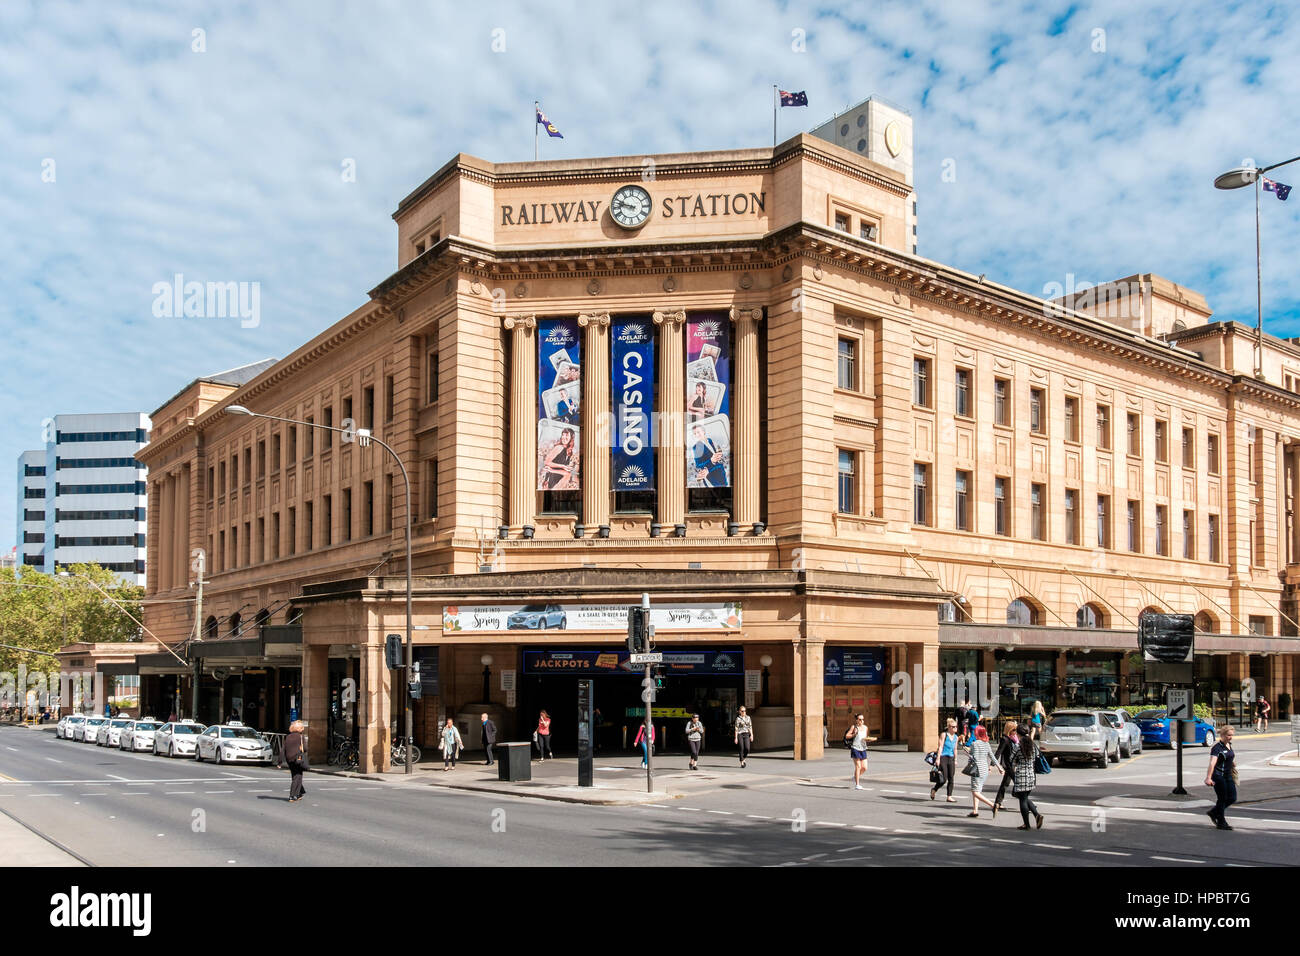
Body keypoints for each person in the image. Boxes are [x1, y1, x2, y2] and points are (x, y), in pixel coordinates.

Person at [1009, 722, 1045, 831]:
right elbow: (1036, 757)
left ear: (1018, 734)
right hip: (1031, 775)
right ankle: (1036, 815)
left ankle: (1027, 824)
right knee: (1024, 797)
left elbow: (1011, 760)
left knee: (1023, 800)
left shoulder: (1018, 746)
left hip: (1021, 775)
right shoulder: (1033, 745)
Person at [1205, 725, 1236, 830]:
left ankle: (1214, 812)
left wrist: (1232, 763)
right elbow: (1212, 763)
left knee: (1232, 797)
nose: (1230, 737)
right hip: (1218, 776)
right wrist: (1208, 778)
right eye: (1228, 735)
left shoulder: (1229, 745)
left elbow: (1228, 756)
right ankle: (1221, 822)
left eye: (1232, 735)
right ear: (1222, 735)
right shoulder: (1217, 748)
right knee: (1222, 799)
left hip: (1228, 775)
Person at [965, 725, 1001, 817]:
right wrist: (999, 767)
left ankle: (993, 805)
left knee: (975, 791)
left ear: (977, 733)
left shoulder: (974, 744)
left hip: (977, 769)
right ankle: (975, 810)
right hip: (984, 769)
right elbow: (992, 757)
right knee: (978, 790)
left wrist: (968, 753)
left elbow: (974, 758)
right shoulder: (987, 744)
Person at [992, 720, 1020, 813]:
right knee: (1018, 783)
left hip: (1014, 764)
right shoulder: (1005, 739)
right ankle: (1026, 803)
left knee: (1005, 784)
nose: (1016, 731)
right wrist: (992, 764)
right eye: (1015, 729)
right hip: (1008, 765)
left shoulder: (1015, 738)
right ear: (1010, 729)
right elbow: (998, 752)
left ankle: (997, 803)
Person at [932, 718, 959, 802]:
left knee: (951, 777)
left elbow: (955, 749)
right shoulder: (944, 735)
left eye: (956, 727)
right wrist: (938, 759)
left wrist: (955, 759)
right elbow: (940, 747)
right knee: (944, 779)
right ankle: (934, 789)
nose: (955, 728)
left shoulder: (956, 737)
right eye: (953, 727)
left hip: (951, 758)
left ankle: (949, 796)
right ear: (949, 727)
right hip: (943, 757)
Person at [845, 714, 871, 790]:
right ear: (856, 720)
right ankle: (857, 785)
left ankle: (856, 776)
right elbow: (847, 736)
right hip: (855, 748)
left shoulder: (866, 727)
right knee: (858, 766)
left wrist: (868, 740)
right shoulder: (854, 727)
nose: (861, 721)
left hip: (863, 748)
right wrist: (854, 734)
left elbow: (864, 738)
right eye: (860, 719)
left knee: (865, 767)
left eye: (862, 719)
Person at [284, 720, 307, 803]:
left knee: (296, 776)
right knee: (297, 777)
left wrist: (279, 761)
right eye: (301, 727)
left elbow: (283, 749)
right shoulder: (301, 737)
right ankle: (292, 795)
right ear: (299, 729)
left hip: (289, 760)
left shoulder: (288, 737)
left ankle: (299, 793)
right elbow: (305, 749)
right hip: (298, 759)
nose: (303, 729)